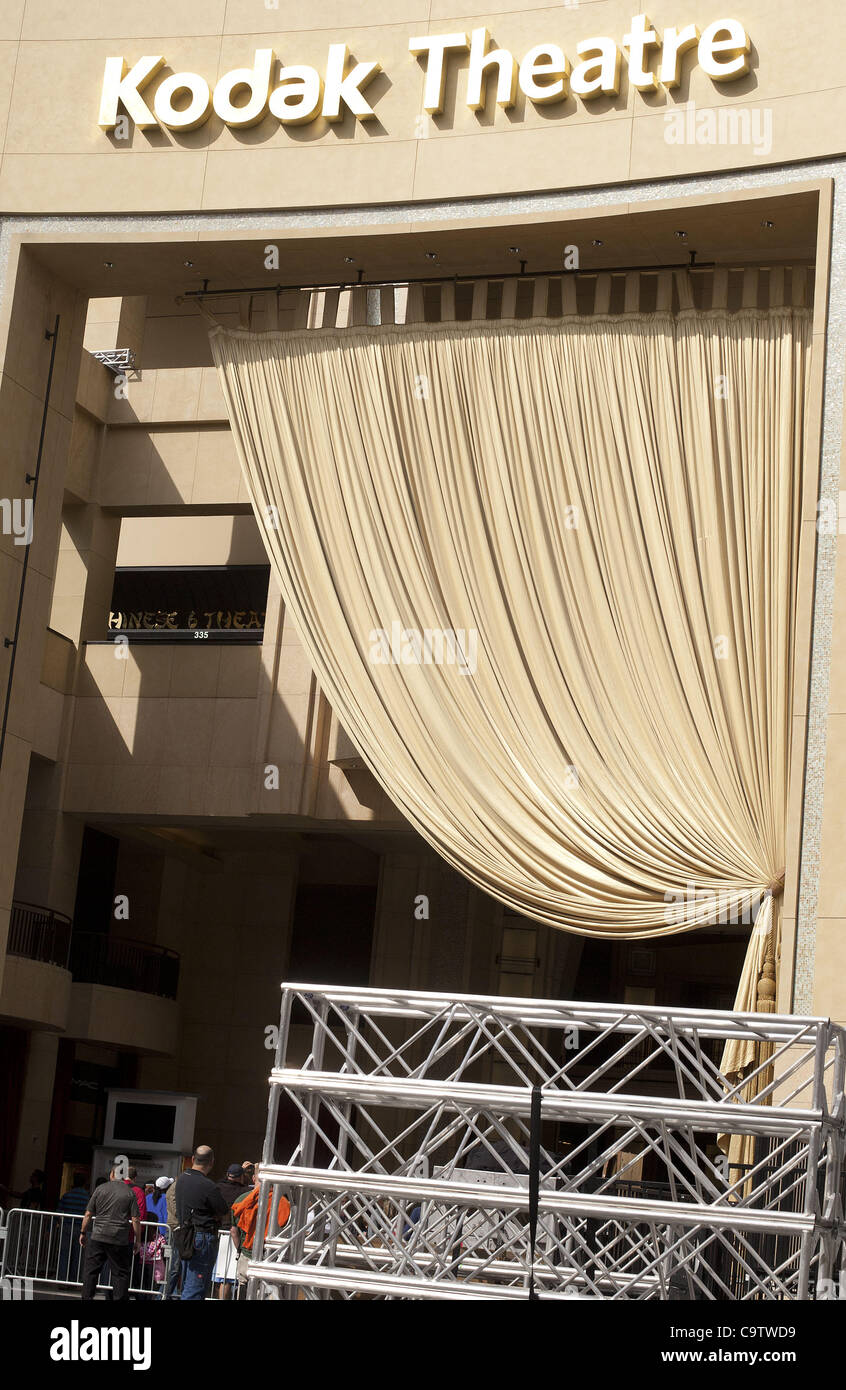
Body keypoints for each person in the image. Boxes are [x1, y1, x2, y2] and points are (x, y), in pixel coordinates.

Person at [173, 1145, 229, 1300]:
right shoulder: (208, 1185)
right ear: (211, 1162)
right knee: (196, 1287)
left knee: (188, 1283)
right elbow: (223, 1210)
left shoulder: (181, 1180)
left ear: (192, 1159)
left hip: (186, 1236)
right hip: (202, 1238)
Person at [79, 1162, 141, 1300]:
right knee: (120, 1274)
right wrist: (138, 1240)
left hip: (98, 1235)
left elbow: (88, 1214)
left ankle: (86, 1297)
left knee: (91, 1271)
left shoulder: (100, 1189)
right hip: (119, 1238)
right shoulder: (130, 1193)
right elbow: (136, 1219)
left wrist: (83, 1232)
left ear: (112, 1174)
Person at [212, 1164, 245, 1299]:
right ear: (241, 1177)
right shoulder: (242, 1192)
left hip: (215, 1234)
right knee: (227, 1278)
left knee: (219, 1277)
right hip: (232, 1236)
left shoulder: (217, 1188)